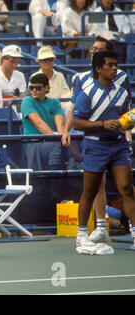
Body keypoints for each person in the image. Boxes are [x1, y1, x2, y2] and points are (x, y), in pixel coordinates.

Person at [62, 35, 132, 242]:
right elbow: (75, 111)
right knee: (93, 186)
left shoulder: (122, 81)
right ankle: (95, 228)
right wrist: (66, 130)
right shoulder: (83, 81)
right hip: (95, 142)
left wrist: (127, 126)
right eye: (93, 49)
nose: (94, 51)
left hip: (119, 141)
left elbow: (126, 111)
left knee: (126, 186)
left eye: (99, 49)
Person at [21, 73, 65, 171]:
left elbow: (60, 124)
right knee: (57, 144)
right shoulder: (27, 101)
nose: (34, 90)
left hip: (51, 141)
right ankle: (55, 175)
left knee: (69, 143)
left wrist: (62, 139)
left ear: (46, 88)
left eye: (37, 88)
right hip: (33, 143)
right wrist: (56, 139)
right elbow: (38, 123)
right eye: (31, 88)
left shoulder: (55, 102)